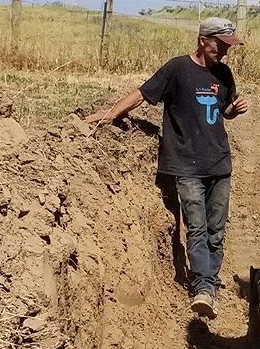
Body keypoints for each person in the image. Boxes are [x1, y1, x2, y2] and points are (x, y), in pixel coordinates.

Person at [87, 16, 249, 317]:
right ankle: (203, 288)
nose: (225, 51)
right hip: (186, 164)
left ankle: (209, 281)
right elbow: (142, 93)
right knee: (196, 227)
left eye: (228, 46)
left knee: (216, 230)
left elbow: (221, 111)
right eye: (220, 45)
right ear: (203, 40)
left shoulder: (224, 74)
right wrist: (110, 114)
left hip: (219, 162)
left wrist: (233, 110)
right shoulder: (177, 69)